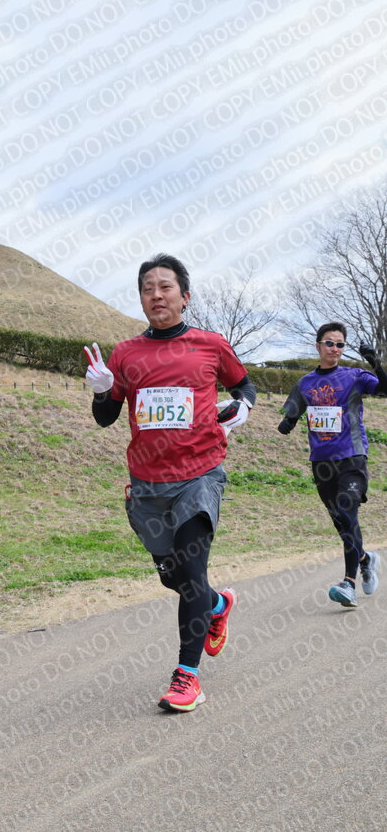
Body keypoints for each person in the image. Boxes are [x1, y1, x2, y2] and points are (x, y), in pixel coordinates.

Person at [84, 254, 256, 712]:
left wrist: (243, 408)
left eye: (165, 287)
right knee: (174, 578)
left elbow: (245, 387)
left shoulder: (211, 345)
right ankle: (217, 605)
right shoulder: (126, 353)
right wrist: (102, 390)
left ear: (185, 296)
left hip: (199, 475)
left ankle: (187, 677)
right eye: (147, 289)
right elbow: (105, 418)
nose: (156, 295)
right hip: (147, 484)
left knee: (192, 571)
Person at [278, 323, 387, 607]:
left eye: (340, 344)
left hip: (352, 457)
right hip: (321, 462)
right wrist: (288, 422)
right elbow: (294, 409)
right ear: (318, 346)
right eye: (329, 343)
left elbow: (385, 389)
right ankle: (365, 559)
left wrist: (375, 361)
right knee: (342, 522)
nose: (335, 349)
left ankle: (348, 583)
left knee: (348, 511)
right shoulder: (305, 383)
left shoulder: (354, 376)